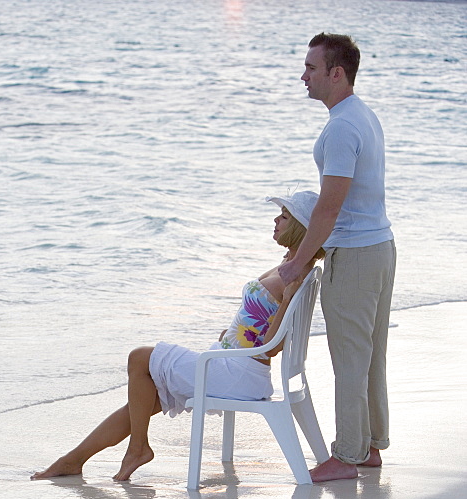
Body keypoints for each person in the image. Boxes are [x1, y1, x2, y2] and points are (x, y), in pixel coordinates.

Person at [31, 192, 325, 482]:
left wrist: (285, 302)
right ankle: (74, 460)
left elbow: (272, 348)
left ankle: (136, 448)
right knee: (144, 399)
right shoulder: (289, 264)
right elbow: (260, 318)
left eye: (284, 216)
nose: (276, 219)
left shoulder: (295, 276)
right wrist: (233, 333)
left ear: (300, 228)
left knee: (140, 357)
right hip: (230, 364)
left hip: (236, 373)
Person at [278, 32, 396, 483]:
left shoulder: (343, 127)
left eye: (310, 67)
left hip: (358, 255)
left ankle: (346, 456)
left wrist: (296, 262)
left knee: (350, 358)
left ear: (336, 73)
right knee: (369, 355)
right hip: (380, 248)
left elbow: (329, 208)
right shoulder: (362, 115)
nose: (303, 75)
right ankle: (369, 446)